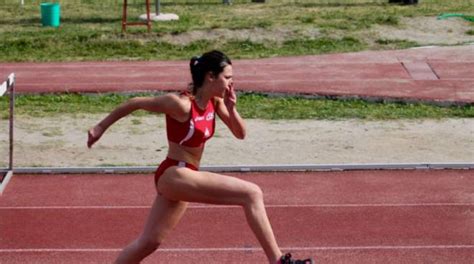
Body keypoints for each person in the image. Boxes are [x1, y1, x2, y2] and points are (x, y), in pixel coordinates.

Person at [87, 50, 314, 264]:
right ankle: (279, 260)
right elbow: (135, 103)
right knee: (252, 193)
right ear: (211, 77)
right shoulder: (180, 104)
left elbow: (240, 134)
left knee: (148, 243)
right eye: (227, 77)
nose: (231, 83)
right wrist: (99, 128)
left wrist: (232, 108)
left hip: (187, 176)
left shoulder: (215, 103)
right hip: (173, 173)